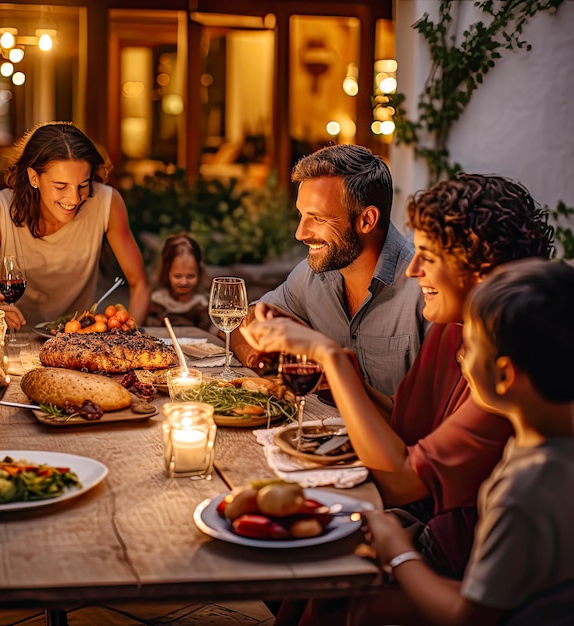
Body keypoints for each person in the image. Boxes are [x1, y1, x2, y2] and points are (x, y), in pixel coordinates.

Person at [241, 174, 555, 591]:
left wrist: (329, 357)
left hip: (462, 567)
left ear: (476, 268)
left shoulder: (503, 377)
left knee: (325, 580)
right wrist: (344, 377)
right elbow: (404, 427)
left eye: (427, 256)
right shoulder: (451, 327)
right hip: (423, 530)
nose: (411, 268)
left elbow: (403, 481)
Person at [348, 258, 574, 625]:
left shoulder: (522, 490)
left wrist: (398, 551)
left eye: (470, 344)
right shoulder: (547, 449)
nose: (460, 355)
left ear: (503, 375)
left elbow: (470, 617)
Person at [231, 143, 427, 396]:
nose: (300, 233)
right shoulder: (311, 277)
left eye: (319, 218)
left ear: (367, 220)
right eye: (301, 215)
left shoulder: (424, 287)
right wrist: (257, 354)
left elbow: (433, 418)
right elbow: (241, 322)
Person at [0, 121, 150, 330]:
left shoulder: (107, 203)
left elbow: (140, 284)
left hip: (80, 344)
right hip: (13, 343)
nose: (74, 198)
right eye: (61, 186)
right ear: (33, 177)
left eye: (83, 185)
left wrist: (130, 337)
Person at [145, 233, 212, 331]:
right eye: (177, 276)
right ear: (166, 272)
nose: (184, 282)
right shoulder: (156, 303)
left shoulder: (203, 305)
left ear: (199, 272)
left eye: (190, 276)